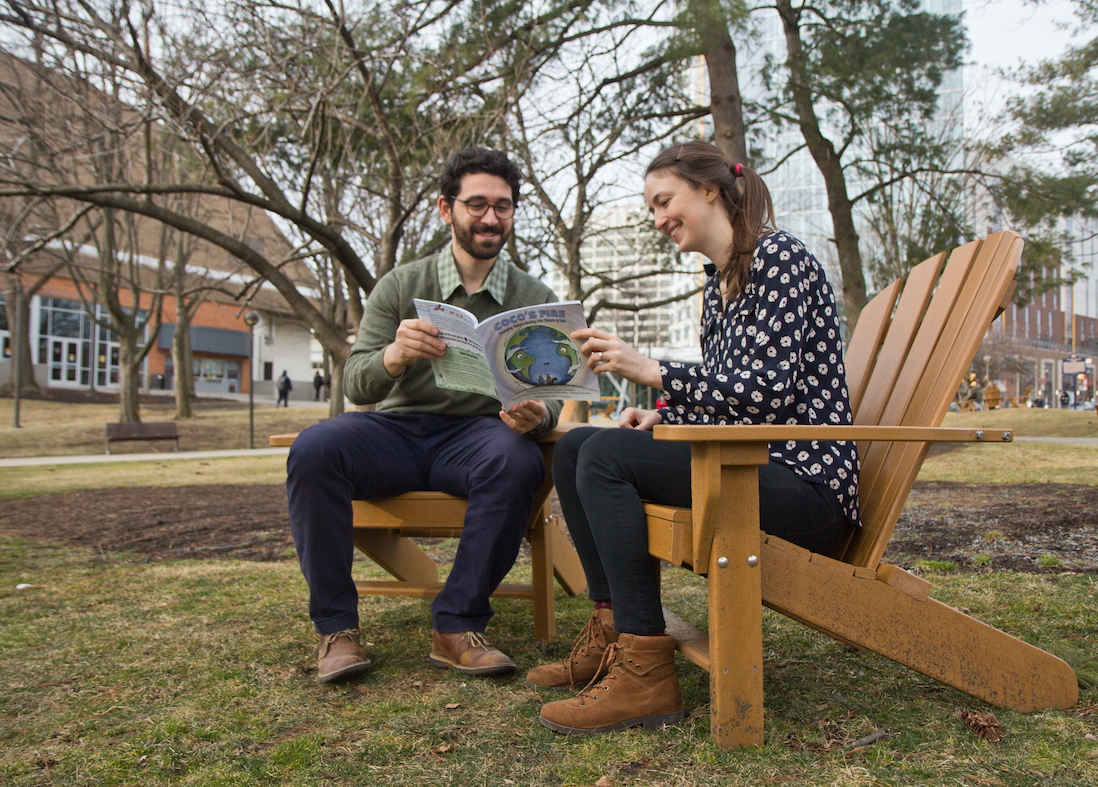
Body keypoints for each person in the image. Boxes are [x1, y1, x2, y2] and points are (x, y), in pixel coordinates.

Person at [529, 141, 860, 735]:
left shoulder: (778, 258)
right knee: (580, 445)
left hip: (805, 489)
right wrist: (664, 412)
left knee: (602, 456)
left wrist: (655, 370)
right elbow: (733, 403)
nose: (658, 219)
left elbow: (766, 394)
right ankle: (612, 630)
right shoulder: (719, 284)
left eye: (665, 201)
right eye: (652, 208)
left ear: (710, 190)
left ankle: (646, 672)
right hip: (748, 467)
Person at [285, 147, 561, 684]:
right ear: (446, 208)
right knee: (314, 449)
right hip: (395, 430)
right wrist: (394, 353)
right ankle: (337, 630)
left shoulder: (533, 296)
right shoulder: (399, 286)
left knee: (518, 460)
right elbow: (356, 382)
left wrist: (538, 417)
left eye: (502, 207)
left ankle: (456, 626)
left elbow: (553, 392)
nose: (490, 218)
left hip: (481, 435)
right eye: (476, 204)